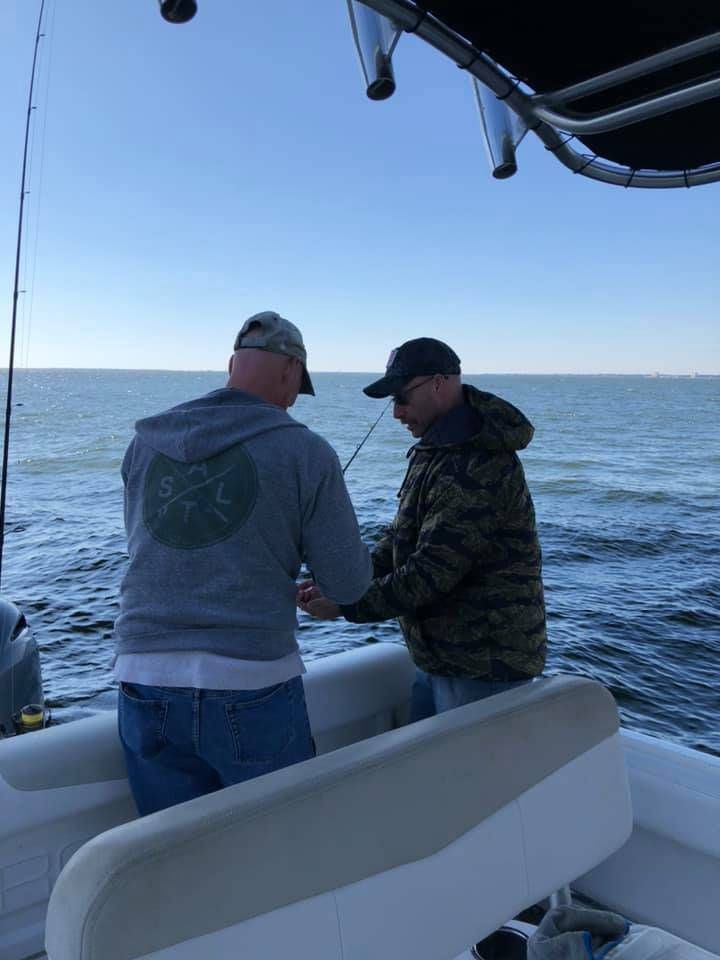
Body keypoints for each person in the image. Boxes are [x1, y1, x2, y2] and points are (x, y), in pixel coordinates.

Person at [114, 311, 372, 815]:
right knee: (277, 848)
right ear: (291, 370)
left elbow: (152, 548)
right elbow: (349, 582)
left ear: (233, 363)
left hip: (142, 679)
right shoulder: (306, 450)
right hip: (250, 684)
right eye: (299, 384)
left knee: (174, 854)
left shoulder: (144, 444)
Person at [298, 337, 546, 720]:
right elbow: (400, 541)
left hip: (485, 668)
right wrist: (345, 580)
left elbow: (431, 572)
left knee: (461, 779)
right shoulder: (436, 449)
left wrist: (347, 605)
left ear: (438, 383)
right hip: (439, 658)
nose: (396, 412)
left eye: (401, 397)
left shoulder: (479, 463)